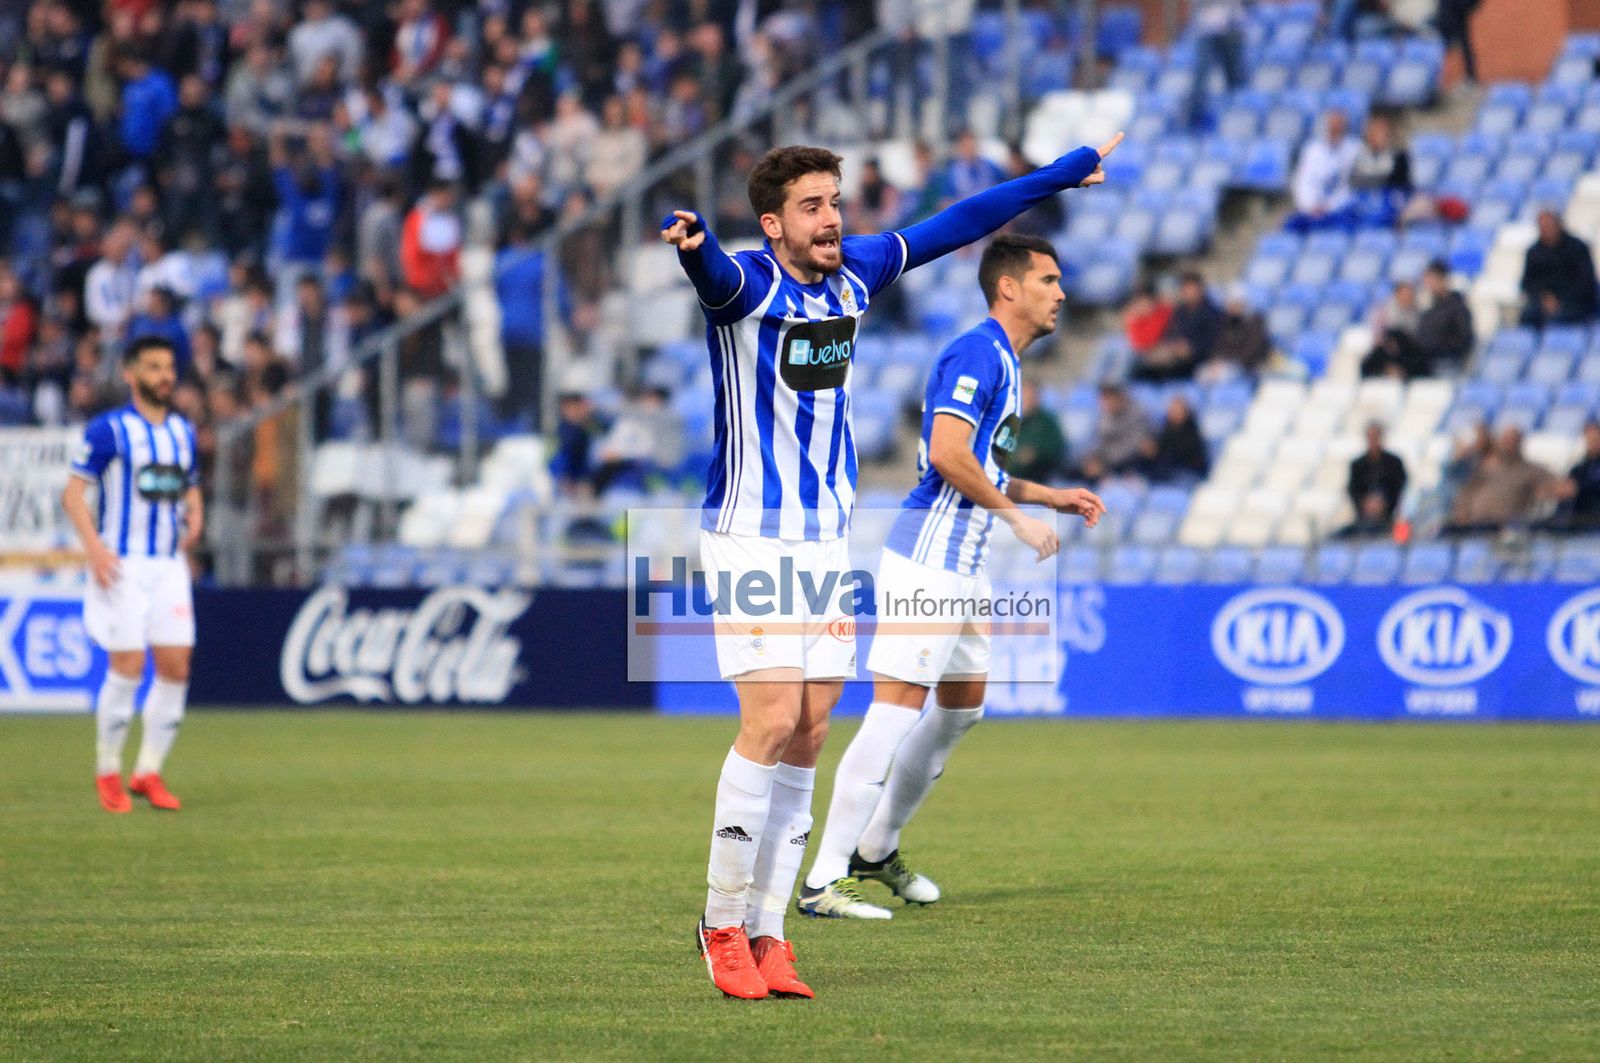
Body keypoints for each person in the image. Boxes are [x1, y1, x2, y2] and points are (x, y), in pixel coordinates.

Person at [661, 132, 1123, 1000]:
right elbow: (717, 279)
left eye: (834, 201)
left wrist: (1063, 173)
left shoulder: (857, 274)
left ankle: (770, 931)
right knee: (767, 722)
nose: (831, 218)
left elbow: (962, 220)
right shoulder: (750, 285)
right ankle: (721, 920)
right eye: (811, 206)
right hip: (753, 534)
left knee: (810, 728)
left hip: (828, 537)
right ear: (774, 223)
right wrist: (695, 252)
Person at [798, 235, 1104, 920]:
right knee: (894, 710)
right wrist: (1017, 520)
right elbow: (945, 453)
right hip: (930, 558)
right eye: (1049, 279)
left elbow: (980, 466)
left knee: (963, 706)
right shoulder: (976, 351)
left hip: (961, 564)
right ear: (1009, 288)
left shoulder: (1007, 363)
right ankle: (823, 878)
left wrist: (1049, 497)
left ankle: (876, 848)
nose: (1062, 292)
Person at [60, 337, 202, 815]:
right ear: (130, 374)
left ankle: (148, 771)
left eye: (169, 368)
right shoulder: (109, 430)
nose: (165, 376)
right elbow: (73, 496)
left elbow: (190, 483)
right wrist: (96, 551)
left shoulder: (182, 431)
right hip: (122, 562)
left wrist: (196, 513)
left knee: (176, 667)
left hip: (168, 565)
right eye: (154, 367)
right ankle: (107, 771)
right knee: (127, 667)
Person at [1444, 425, 1556, 533]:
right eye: (1505, 439)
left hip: (1503, 529)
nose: (1508, 443)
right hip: (1472, 527)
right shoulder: (1479, 468)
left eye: (1512, 440)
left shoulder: (1530, 470)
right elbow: (1463, 493)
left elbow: (1561, 487)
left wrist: (1546, 490)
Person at [1519, 209, 1599, 329]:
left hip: (1575, 302)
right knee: (1527, 317)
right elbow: (1527, 283)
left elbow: (1586, 282)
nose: (1547, 229)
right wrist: (1543, 298)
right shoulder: (1534, 252)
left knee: (1559, 319)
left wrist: (1560, 299)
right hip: (1543, 302)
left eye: (1550, 225)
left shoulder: (1577, 248)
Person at [1137, 272, 1221, 381]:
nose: (1189, 293)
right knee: (1145, 365)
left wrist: (1192, 347)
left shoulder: (1211, 313)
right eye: (1186, 289)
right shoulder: (1180, 311)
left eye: (1192, 289)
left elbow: (1213, 340)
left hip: (1197, 358)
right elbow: (1170, 333)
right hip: (1175, 353)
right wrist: (1172, 345)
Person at [1287, 110, 1361, 233]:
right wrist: (1310, 205)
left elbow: (1352, 187)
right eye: (1331, 126)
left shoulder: (1355, 150)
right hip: (1311, 209)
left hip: (1340, 210)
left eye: (1338, 127)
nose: (1334, 130)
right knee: (1290, 226)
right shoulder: (1312, 150)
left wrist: (1329, 207)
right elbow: (1302, 182)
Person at [1187, 0, 1246, 129]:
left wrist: (1229, 16)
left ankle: (1237, 110)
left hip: (1231, 29)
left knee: (1234, 75)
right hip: (1208, 30)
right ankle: (1194, 118)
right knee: (1201, 77)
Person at [1341, 421, 1407, 534]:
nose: (1373, 440)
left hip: (1389, 519)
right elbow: (1353, 489)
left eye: (1376, 436)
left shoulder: (1394, 463)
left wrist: (1384, 503)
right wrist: (1366, 503)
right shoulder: (1357, 465)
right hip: (1362, 521)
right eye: (1370, 437)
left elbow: (1399, 487)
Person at [1348, 112, 1411, 228]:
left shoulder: (1399, 157)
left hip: (1389, 201)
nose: (1381, 137)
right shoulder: (1361, 155)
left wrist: (1373, 179)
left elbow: (1395, 181)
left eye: (1384, 133)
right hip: (1365, 201)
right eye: (1377, 132)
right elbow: (1355, 180)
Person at [1078, 383, 1152, 481]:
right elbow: (1097, 440)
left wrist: (1103, 461)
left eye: (1109, 398)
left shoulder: (1137, 414)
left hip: (1131, 465)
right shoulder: (1105, 416)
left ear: (1120, 397)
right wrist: (1092, 458)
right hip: (1106, 462)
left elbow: (1132, 445)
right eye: (1104, 398)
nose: (1106, 403)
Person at [1414, 260, 1473, 373]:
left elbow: (1465, 339)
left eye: (1431, 279)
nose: (1428, 284)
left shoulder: (1457, 307)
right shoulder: (1429, 306)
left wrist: (1439, 346)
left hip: (1446, 361)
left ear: (1442, 279)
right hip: (1425, 360)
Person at [1140, 395, 1209, 483]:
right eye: (1172, 410)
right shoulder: (1166, 429)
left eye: (1177, 410)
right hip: (1168, 471)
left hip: (1188, 472)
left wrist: (1158, 450)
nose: (1173, 413)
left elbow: (1183, 455)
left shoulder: (1192, 433)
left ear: (1186, 412)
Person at [1547, 421, 1600, 531]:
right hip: (1576, 519)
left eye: (1595, 439)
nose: (1592, 443)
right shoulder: (1579, 468)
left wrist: (1578, 489)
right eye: (1589, 440)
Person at [1011, 379, 1066, 483]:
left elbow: (1056, 447)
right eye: (1025, 396)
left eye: (1031, 396)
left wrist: (1036, 454)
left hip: (1038, 478)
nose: (1028, 400)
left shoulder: (1047, 421)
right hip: (1008, 478)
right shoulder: (1009, 418)